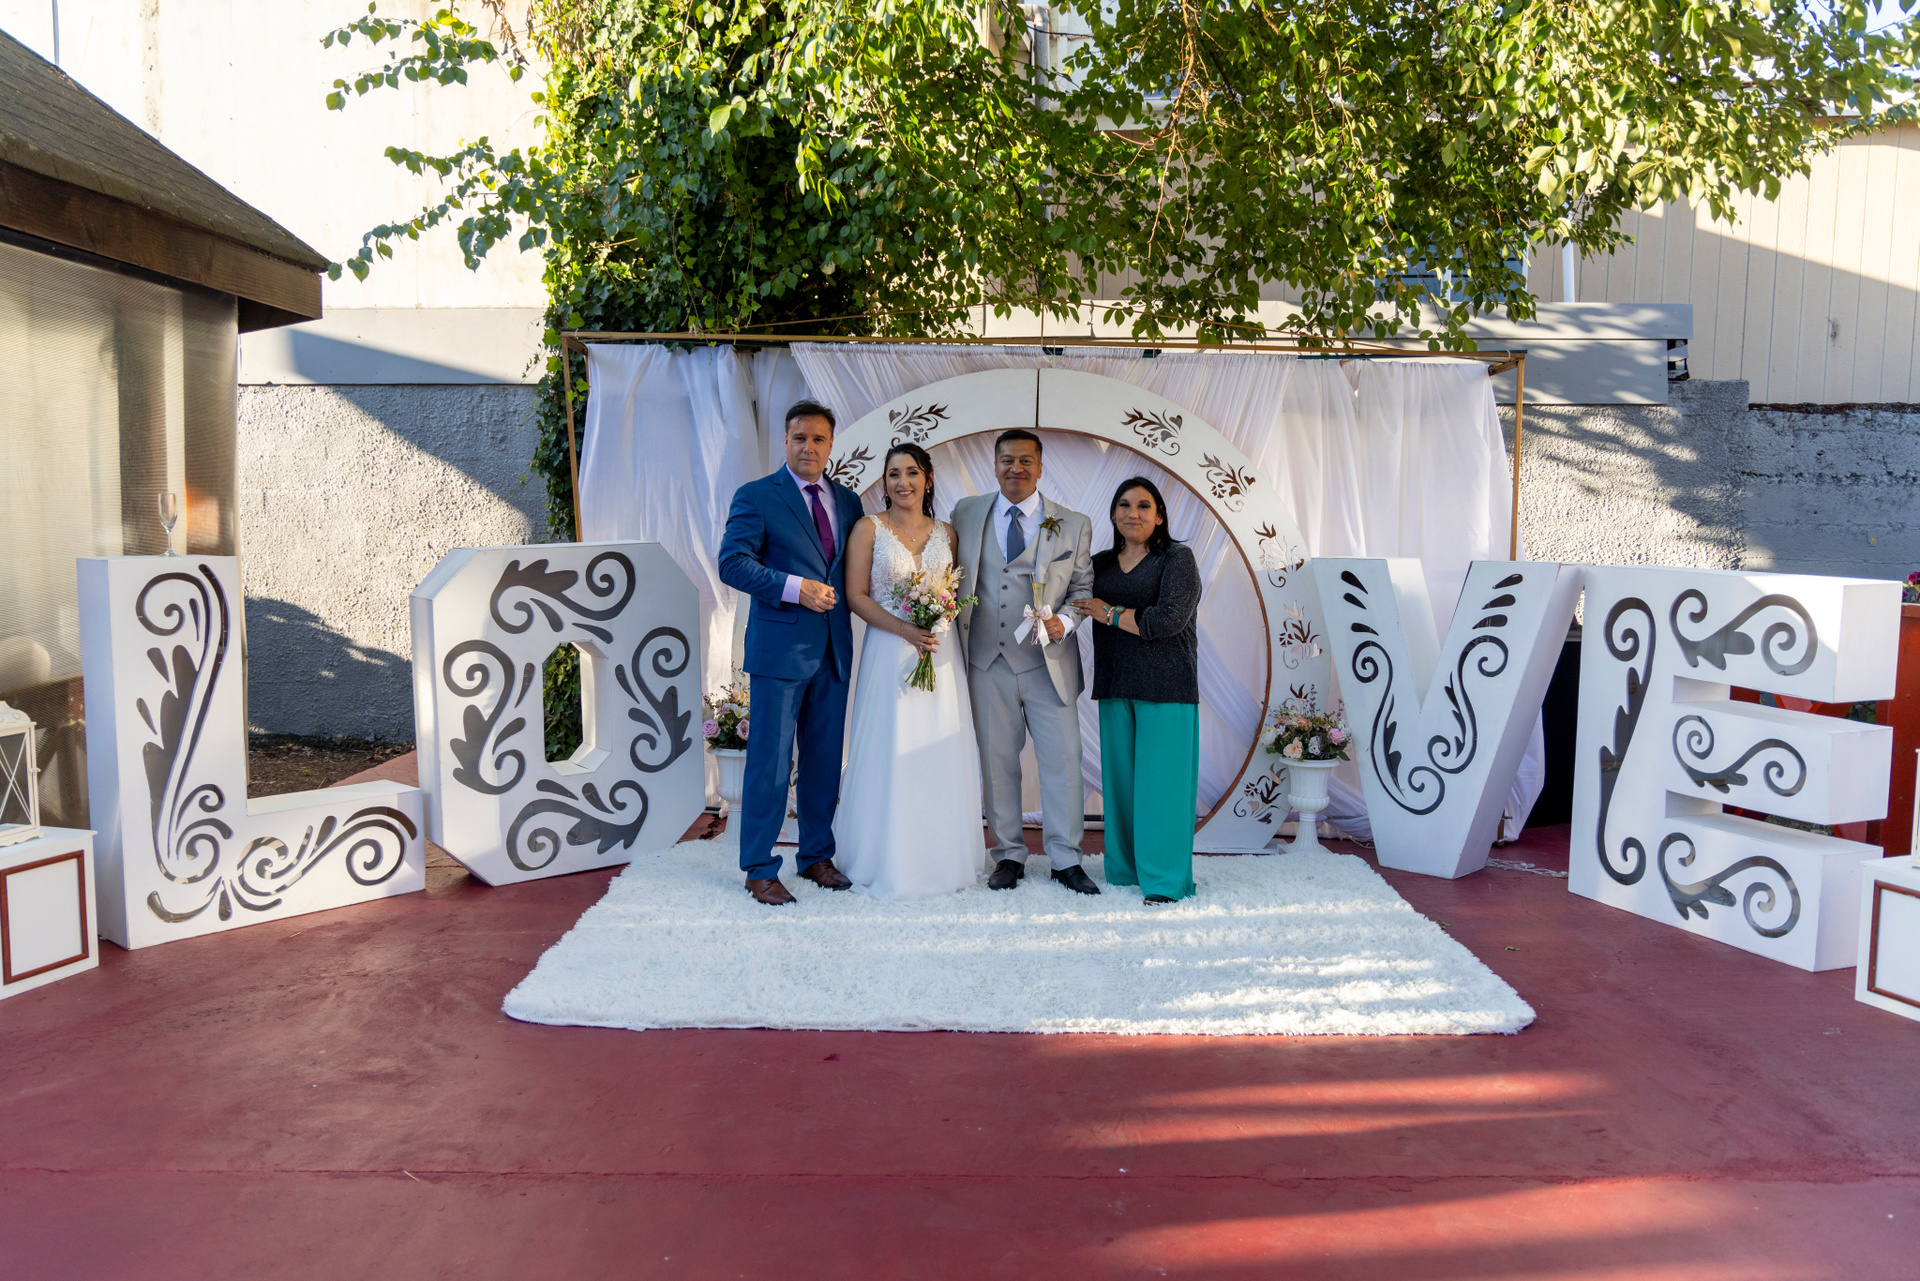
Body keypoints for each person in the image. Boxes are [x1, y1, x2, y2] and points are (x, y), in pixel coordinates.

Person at [716, 400, 866, 905]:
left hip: (834, 650)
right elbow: (732, 563)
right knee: (770, 764)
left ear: (831, 445)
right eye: (799, 438)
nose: (809, 447)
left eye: (819, 439)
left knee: (824, 761)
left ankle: (816, 856)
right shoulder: (757, 496)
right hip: (779, 651)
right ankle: (759, 867)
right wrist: (794, 587)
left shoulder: (848, 502)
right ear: (785, 441)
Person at [832, 444, 986, 898]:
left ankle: (940, 857)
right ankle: (886, 857)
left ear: (928, 479)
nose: (903, 482)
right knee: (889, 745)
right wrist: (905, 629)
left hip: (940, 652)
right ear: (885, 482)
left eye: (912, 472)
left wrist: (936, 619)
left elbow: (952, 593)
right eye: (894, 474)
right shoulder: (869, 528)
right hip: (889, 650)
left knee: (939, 746)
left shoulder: (947, 533)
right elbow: (856, 595)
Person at [950, 430, 1100, 895]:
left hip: (1047, 663)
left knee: (1063, 762)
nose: (1016, 468)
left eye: (1025, 461)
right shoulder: (966, 512)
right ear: (995, 466)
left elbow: (1082, 590)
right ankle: (1008, 855)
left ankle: (1065, 858)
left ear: (1040, 467)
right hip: (985, 660)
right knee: (997, 764)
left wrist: (1065, 622)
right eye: (1007, 460)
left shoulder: (1073, 523)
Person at [1071, 477, 1201, 904]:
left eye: (1144, 506)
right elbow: (1069, 594)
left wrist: (1109, 613)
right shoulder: (1101, 563)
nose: (1133, 513)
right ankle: (1125, 872)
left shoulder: (1177, 559)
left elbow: (1166, 620)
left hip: (1167, 686)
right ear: (1113, 515)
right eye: (1124, 505)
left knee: (1162, 787)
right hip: (1114, 683)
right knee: (1122, 787)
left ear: (1159, 516)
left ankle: (1164, 882)